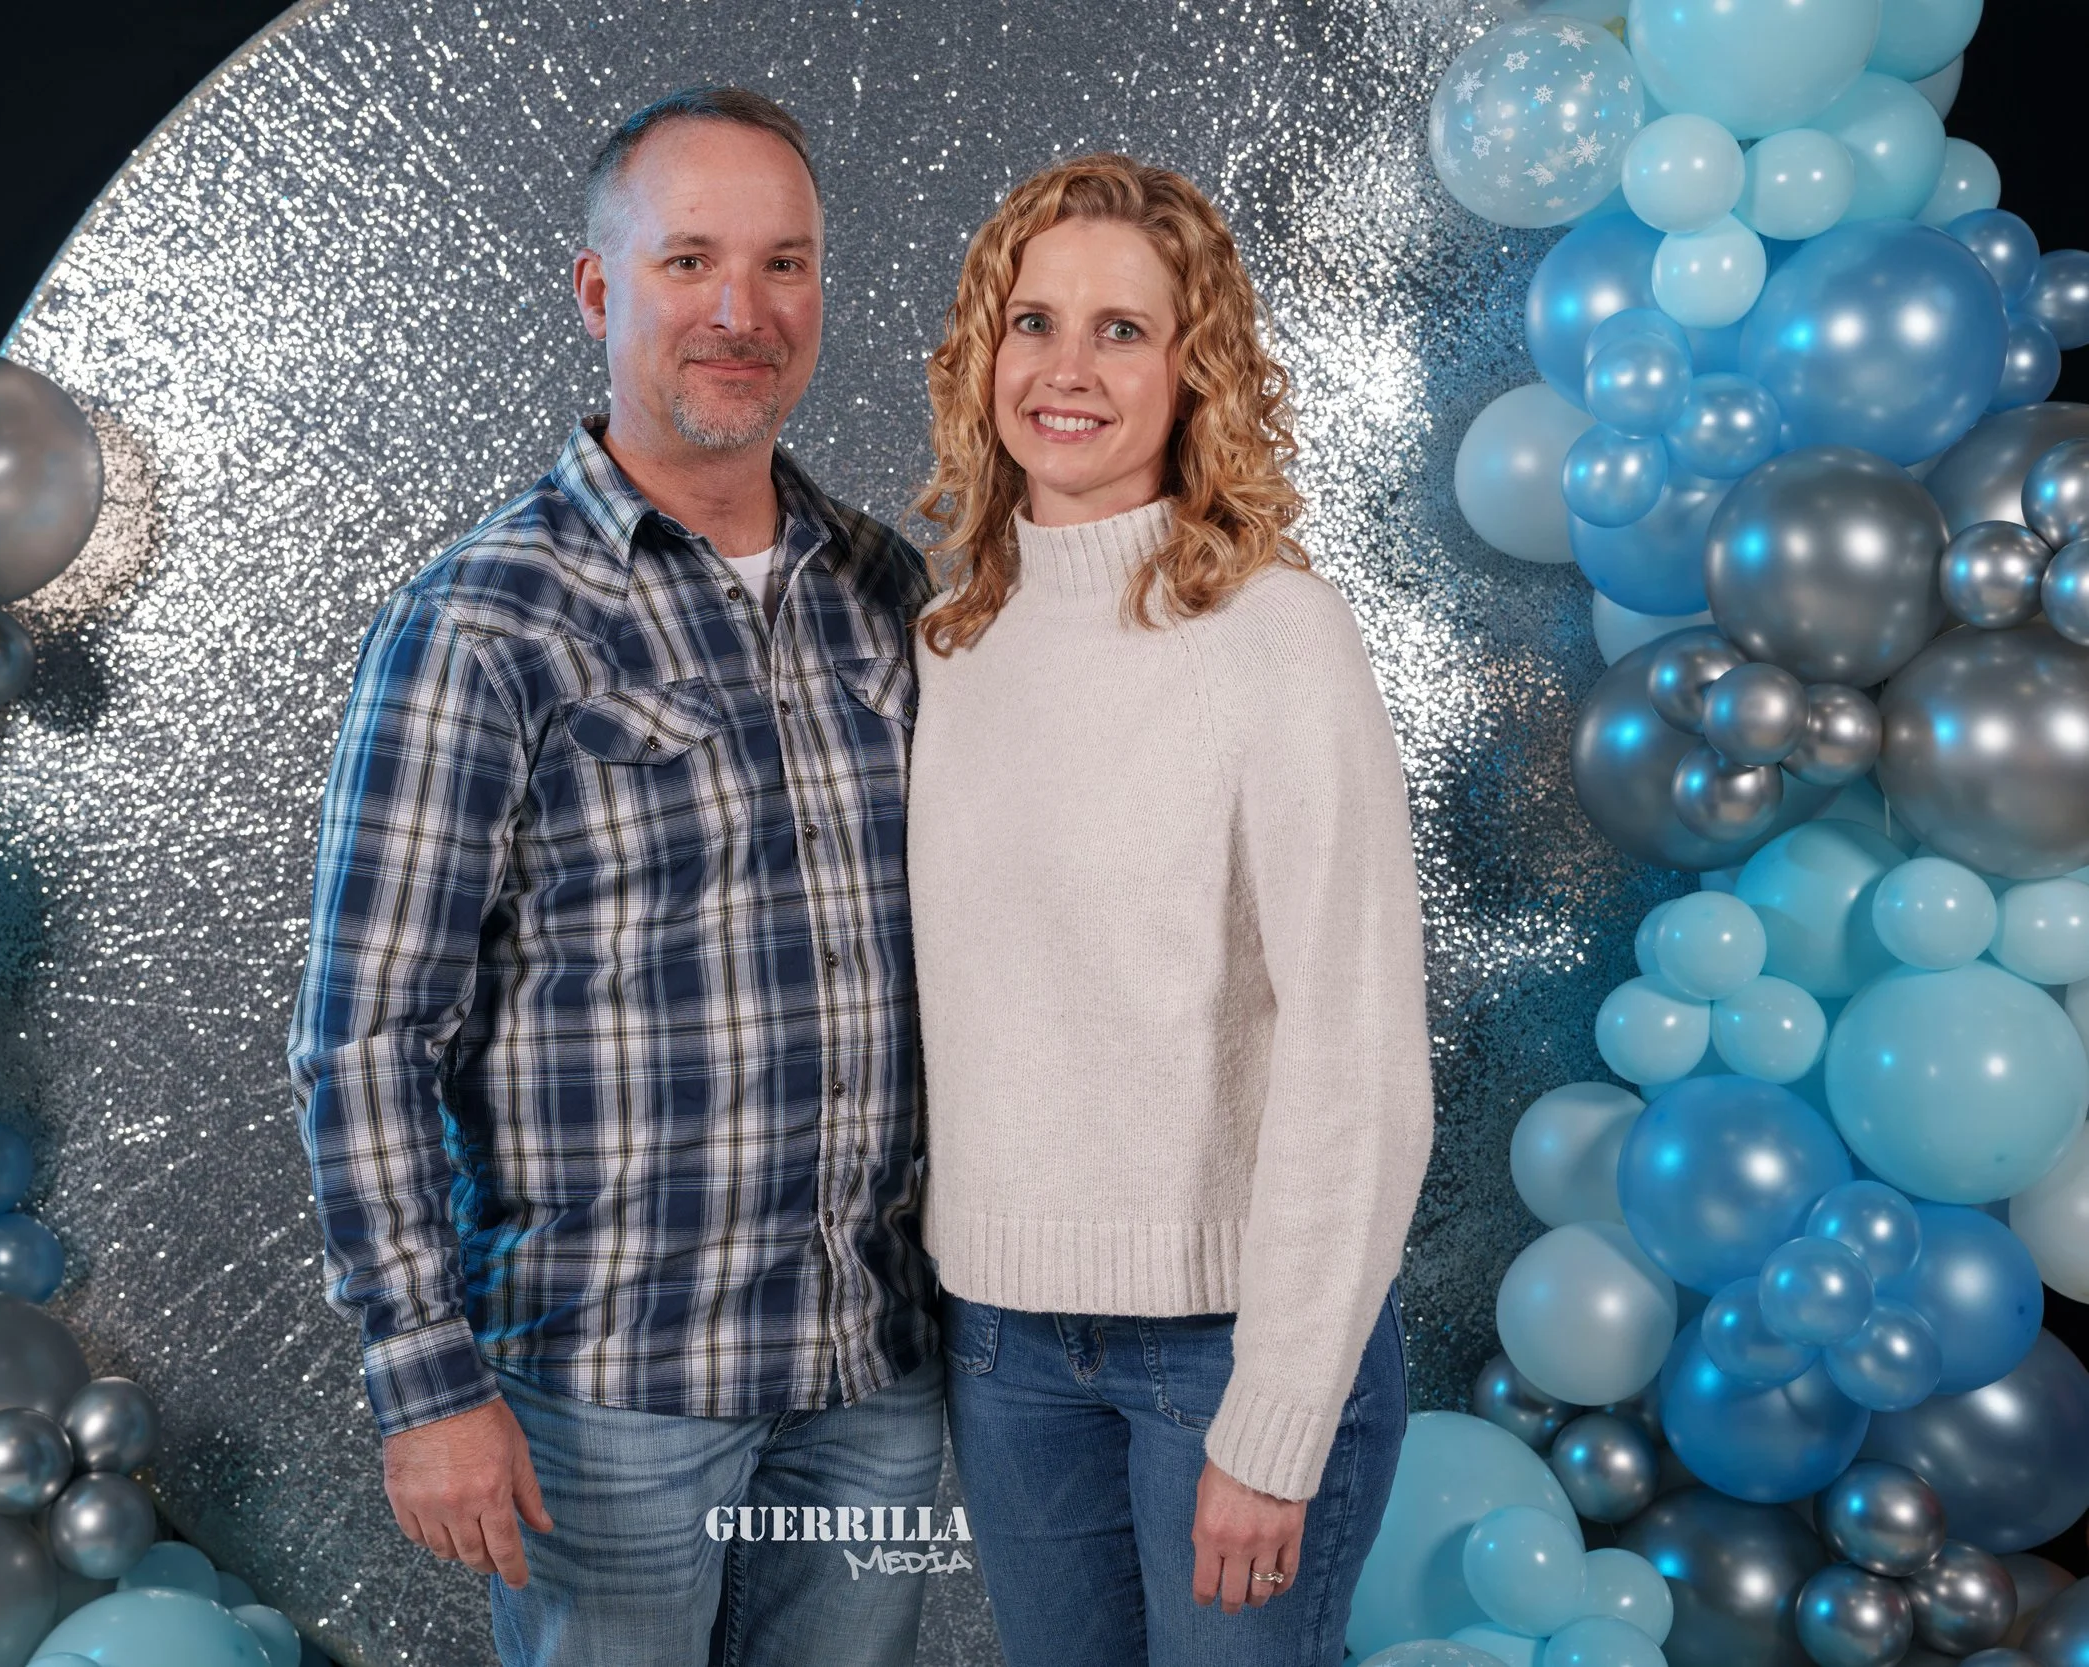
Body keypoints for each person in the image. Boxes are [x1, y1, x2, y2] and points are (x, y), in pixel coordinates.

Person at [285, 86, 945, 1667]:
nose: (742, 311)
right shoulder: (484, 619)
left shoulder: (888, 587)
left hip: (878, 1374)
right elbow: (366, 1035)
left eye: (784, 265)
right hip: (608, 1389)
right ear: (599, 291)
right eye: (690, 262)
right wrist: (427, 1382)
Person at [905, 153, 1437, 1666]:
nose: (1067, 371)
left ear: (1194, 369)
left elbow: (1358, 1052)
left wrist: (1275, 1420)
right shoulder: (959, 637)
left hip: (1230, 1348)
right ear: (983, 354)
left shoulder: (1271, 632)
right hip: (1004, 1342)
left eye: (1124, 331)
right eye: (1035, 323)